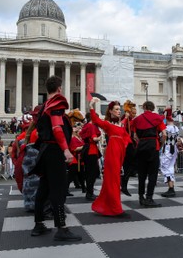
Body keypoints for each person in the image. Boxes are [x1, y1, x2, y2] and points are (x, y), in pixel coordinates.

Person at [30, 75, 81, 242]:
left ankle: (39, 224)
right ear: (59, 88)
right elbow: (57, 128)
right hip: (54, 150)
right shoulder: (56, 102)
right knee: (58, 190)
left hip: (45, 151)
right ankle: (61, 228)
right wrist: (66, 150)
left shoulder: (44, 106)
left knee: (44, 188)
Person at [89, 98, 131, 216]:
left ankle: (108, 206)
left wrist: (125, 144)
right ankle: (116, 209)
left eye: (119, 109)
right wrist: (91, 106)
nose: (119, 111)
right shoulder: (107, 124)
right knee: (114, 180)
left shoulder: (120, 125)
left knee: (114, 180)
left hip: (119, 153)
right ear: (111, 111)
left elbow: (126, 137)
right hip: (112, 153)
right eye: (116, 109)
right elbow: (96, 120)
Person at [132, 101, 166, 207]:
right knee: (152, 174)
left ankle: (141, 197)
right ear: (152, 107)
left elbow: (134, 136)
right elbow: (164, 134)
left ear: (144, 107)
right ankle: (149, 198)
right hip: (153, 145)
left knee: (141, 174)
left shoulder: (137, 119)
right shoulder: (157, 118)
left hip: (141, 145)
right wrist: (160, 144)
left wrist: (140, 142)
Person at [80, 112, 102, 201]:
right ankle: (89, 192)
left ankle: (89, 191)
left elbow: (82, 134)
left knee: (90, 172)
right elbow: (94, 138)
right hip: (91, 150)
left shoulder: (86, 125)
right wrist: (99, 138)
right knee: (92, 173)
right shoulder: (91, 126)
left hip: (87, 149)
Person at [160, 108, 179, 198]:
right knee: (170, 167)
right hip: (174, 148)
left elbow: (163, 137)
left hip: (167, 148)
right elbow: (177, 139)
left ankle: (171, 188)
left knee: (165, 167)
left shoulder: (166, 128)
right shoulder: (176, 128)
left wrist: (161, 145)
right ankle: (172, 188)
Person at [120, 100, 137, 196]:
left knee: (129, 166)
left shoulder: (132, 120)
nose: (134, 115)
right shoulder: (125, 119)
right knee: (127, 166)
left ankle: (124, 184)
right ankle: (123, 184)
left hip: (130, 144)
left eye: (135, 113)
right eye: (133, 113)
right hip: (126, 145)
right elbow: (122, 127)